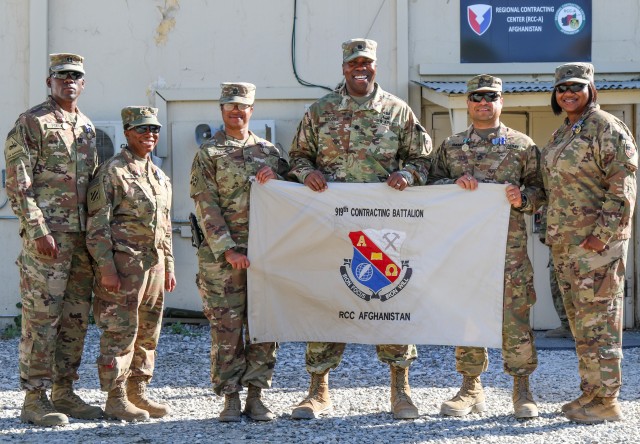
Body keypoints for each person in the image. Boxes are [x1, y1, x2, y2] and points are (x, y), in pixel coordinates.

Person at [287, 38, 431, 420]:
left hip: (384, 228)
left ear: (375, 66)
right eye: (354, 63)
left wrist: (408, 173)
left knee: (391, 300)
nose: (360, 68)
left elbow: (422, 158)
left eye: (366, 62)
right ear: (344, 68)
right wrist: (307, 172)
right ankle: (318, 390)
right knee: (329, 299)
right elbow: (297, 155)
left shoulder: (398, 112)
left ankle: (400, 390)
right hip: (332, 226)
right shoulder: (321, 111)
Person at [428, 75, 545, 419]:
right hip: (465, 250)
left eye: (491, 96)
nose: (483, 102)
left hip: (508, 251)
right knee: (467, 314)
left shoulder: (522, 146)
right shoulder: (450, 146)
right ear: (468, 102)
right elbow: (430, 188)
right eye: (477, 97)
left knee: (515, 318)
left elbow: (540, 193)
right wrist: (452, 184)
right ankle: (470, 387)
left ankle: (522, 389)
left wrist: (521, 197)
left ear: (501, 102)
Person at [4, 53, 103, 426]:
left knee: (75, 318)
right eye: (62, 77)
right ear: (50, 82)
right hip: (48, 239)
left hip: (80, 243)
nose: (69, 82)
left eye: (75, 76)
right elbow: (17, 182)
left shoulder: (88, 128)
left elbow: (93, 186)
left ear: (83, 83)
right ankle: (34, 398)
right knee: (42, 318)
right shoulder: (32, 122)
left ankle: (64, 392)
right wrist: (38, 229)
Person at [541, 63, 637, 423]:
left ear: (591, 89)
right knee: (581, 325)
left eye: (576, 87)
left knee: (602, 323)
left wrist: (601, 238)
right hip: (567, 247)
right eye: (562, 88)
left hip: (597, 249)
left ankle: (608, 400)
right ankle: (591, 392)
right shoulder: (565, 132)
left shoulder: (606, 127)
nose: (568, 93)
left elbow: (622, 187)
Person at [190, 82, 287, 422]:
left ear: (251, 110)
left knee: (264, 326)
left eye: (242, 105)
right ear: (221, 110)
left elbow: (292, 196)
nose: (236, 110)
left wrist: (277, 176)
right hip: (223, 261)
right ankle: (230, 397)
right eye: (229, 105)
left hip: (265, 256)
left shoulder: (271, 153)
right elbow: (206, 205)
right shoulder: (209, 154)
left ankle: (257, 396)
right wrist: (228, 249)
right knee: (227, 329)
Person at [86, 106, 175, 422]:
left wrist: (170, 266)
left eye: (154, 129)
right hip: (123, 271)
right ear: (127, 132)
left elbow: (164, 226)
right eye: (142, 129)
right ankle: (116, 397)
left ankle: (138, 392)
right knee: (119, 333)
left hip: (153, 270)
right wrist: (106, 268)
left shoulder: (159, 175)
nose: (149, 134)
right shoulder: (112, 172)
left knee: (148, 333)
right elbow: (97, 224)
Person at [539, 208, 572, 339]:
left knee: (577, 285)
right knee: (556, 283)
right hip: (554, 239)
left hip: (575, 236)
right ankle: (567, 326)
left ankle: (579, 329)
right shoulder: (552, 187)